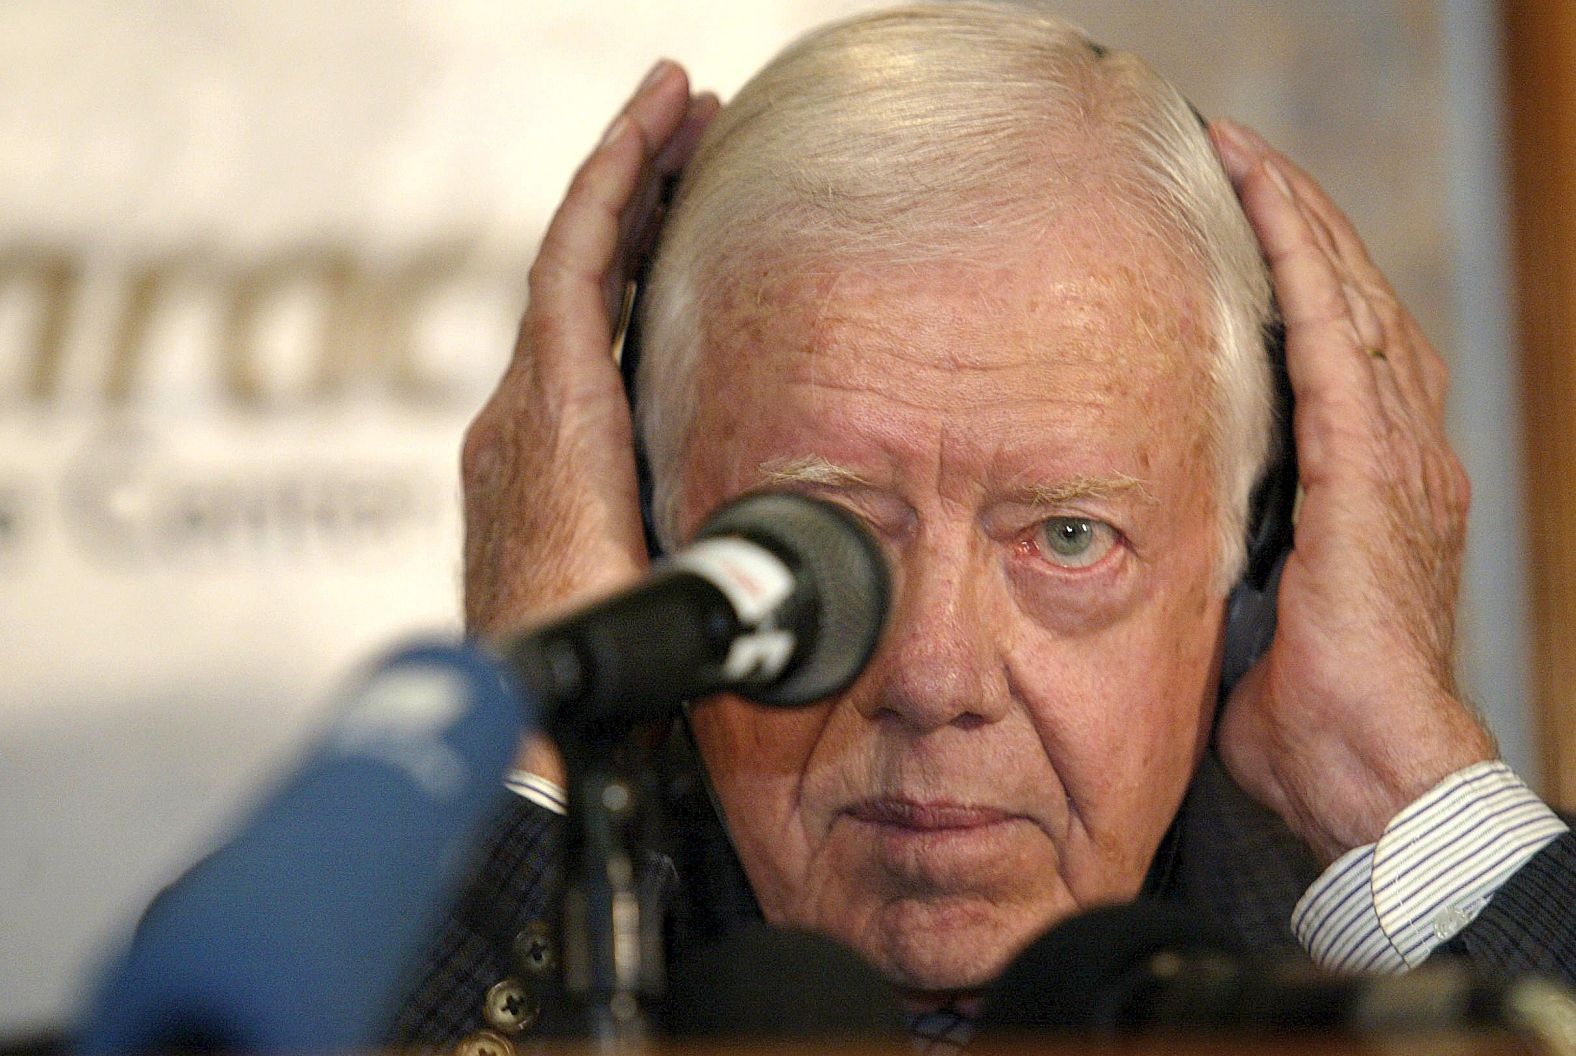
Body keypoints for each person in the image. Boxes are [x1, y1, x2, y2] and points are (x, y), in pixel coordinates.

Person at [391, 3, 1576, 1049]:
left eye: (1066, 537)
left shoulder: (1372, 1011)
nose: (931, 675)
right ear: (651, 535)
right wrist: (535, 740)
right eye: (818, 538)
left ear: (1252, 559)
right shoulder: (458, 956)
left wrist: (1394, 782)